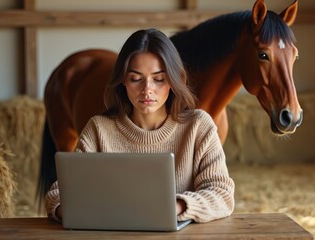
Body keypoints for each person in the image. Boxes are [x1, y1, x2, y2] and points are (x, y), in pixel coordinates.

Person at [45, 28, 235, 223]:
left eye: (159, 79)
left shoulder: (198, 126)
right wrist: (66, 209)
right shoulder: (98, 129)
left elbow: (222, 195)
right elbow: (58, 193)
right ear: (123, 81)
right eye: (136, 79)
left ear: (174, 79)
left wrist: (175, 207)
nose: (147, 90)